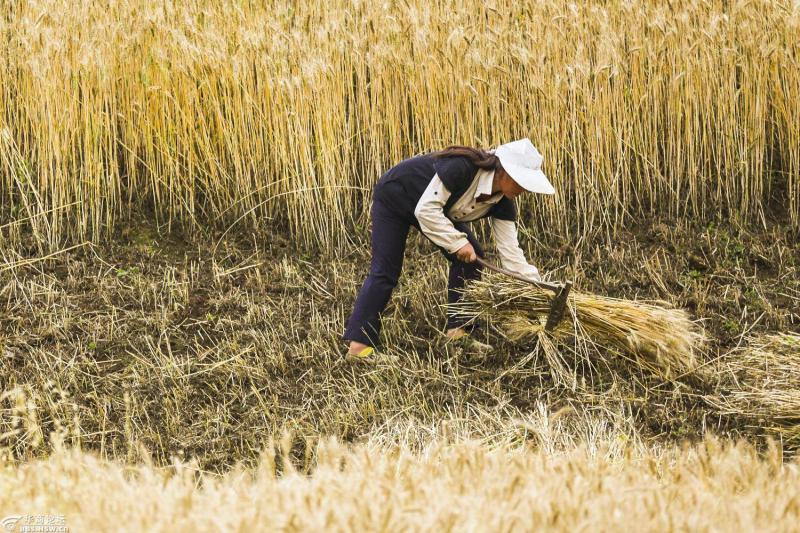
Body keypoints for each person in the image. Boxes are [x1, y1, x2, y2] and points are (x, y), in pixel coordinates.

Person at [342, 138, 555, 362]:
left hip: (433, 209)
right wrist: (457, 243)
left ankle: (457, 333)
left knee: (472, 260)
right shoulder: (462, 168)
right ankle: (359, 349)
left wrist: (540, 288)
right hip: (396, 195)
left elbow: (513, 258)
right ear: (504, 171)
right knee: (385, 271)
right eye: (521, 181)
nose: (524, 188)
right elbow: (426, 210)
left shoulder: (503, 202)